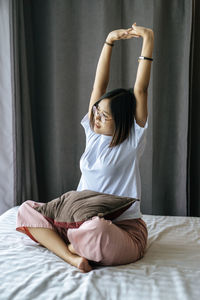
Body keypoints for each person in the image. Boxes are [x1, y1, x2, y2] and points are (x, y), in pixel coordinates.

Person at [16, 22, 154, 273]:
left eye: (104, 116)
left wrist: (148, 39)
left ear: (122, 122)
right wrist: (109, 41)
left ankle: (72, 244)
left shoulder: (132, 139)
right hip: (77, 219)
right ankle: (71, 255)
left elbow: (141, 90)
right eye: (97, 111)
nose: (96, 117)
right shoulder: (93, 132)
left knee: (96, 230)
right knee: (26, 210)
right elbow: (97, 88)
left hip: (120, 228)